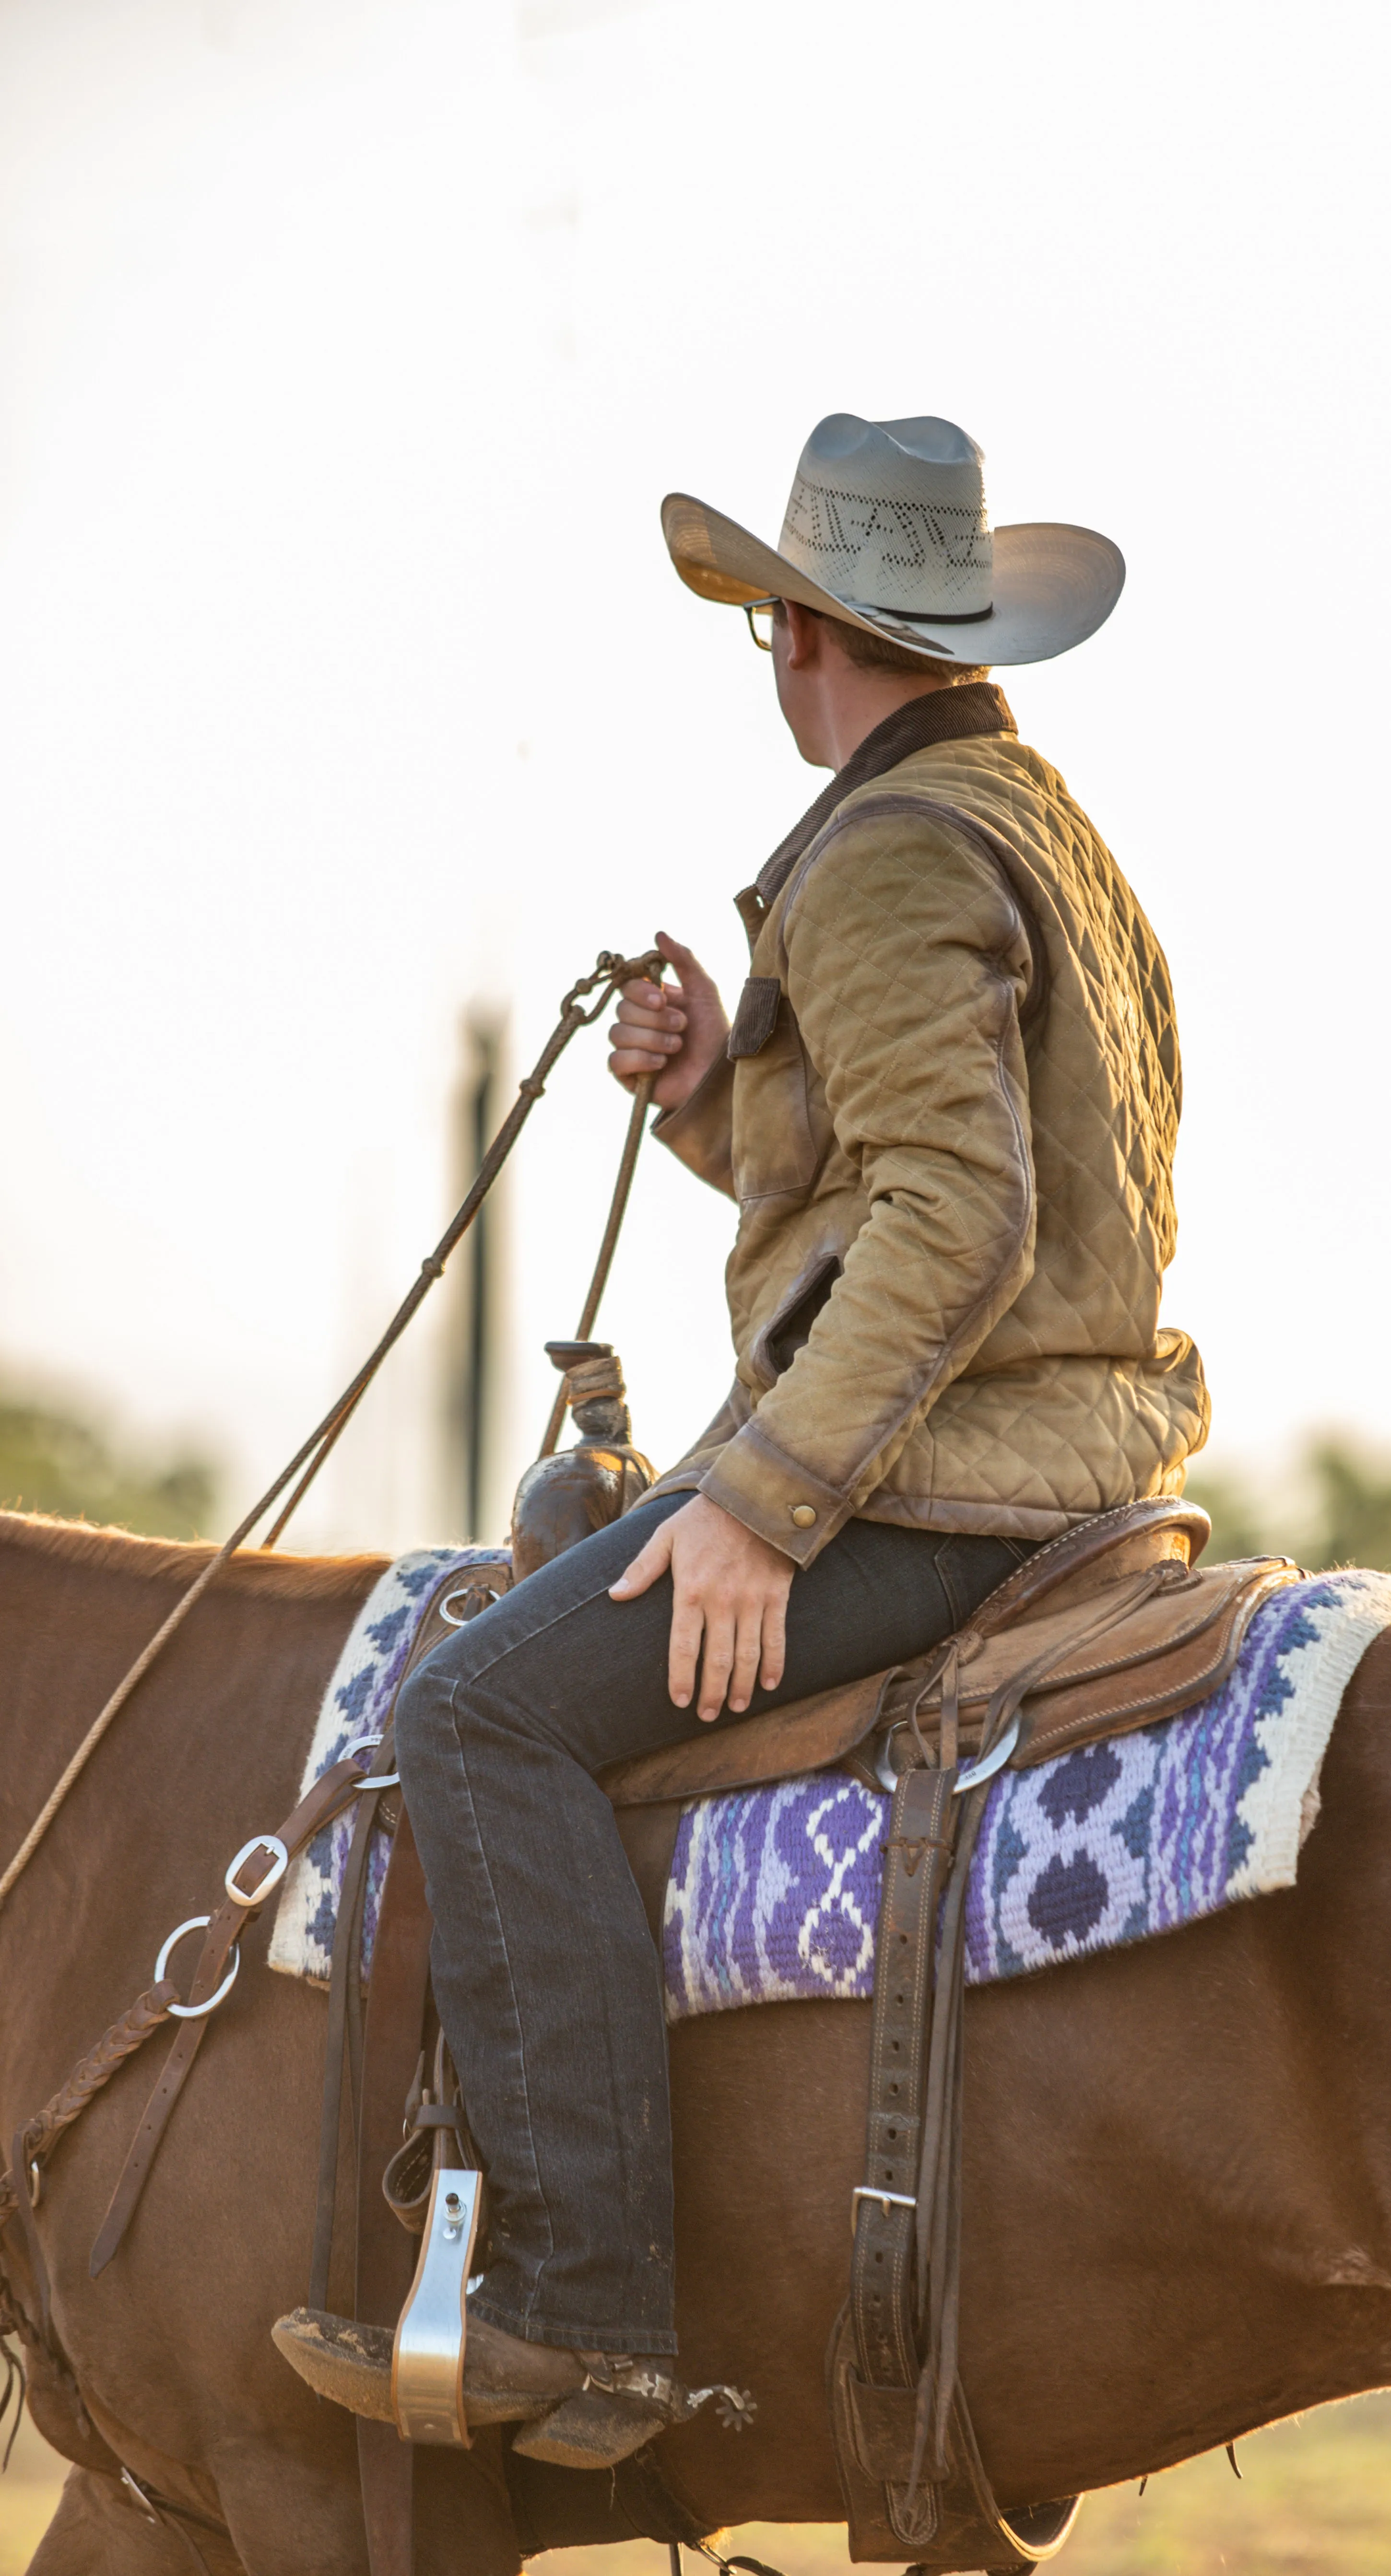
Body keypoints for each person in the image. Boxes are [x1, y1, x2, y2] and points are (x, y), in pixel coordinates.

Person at [274, 413, 1209, 2464]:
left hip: (936, 1482)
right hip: (1065, 1456)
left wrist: (763, 1506)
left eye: (767, 628)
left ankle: (582, 2306)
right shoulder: (1038, 828)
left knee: (478, 1715)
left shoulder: (884, 852)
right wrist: (720, 1101)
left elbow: (962, 1220)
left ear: (798, 630)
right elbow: (929, 1196)